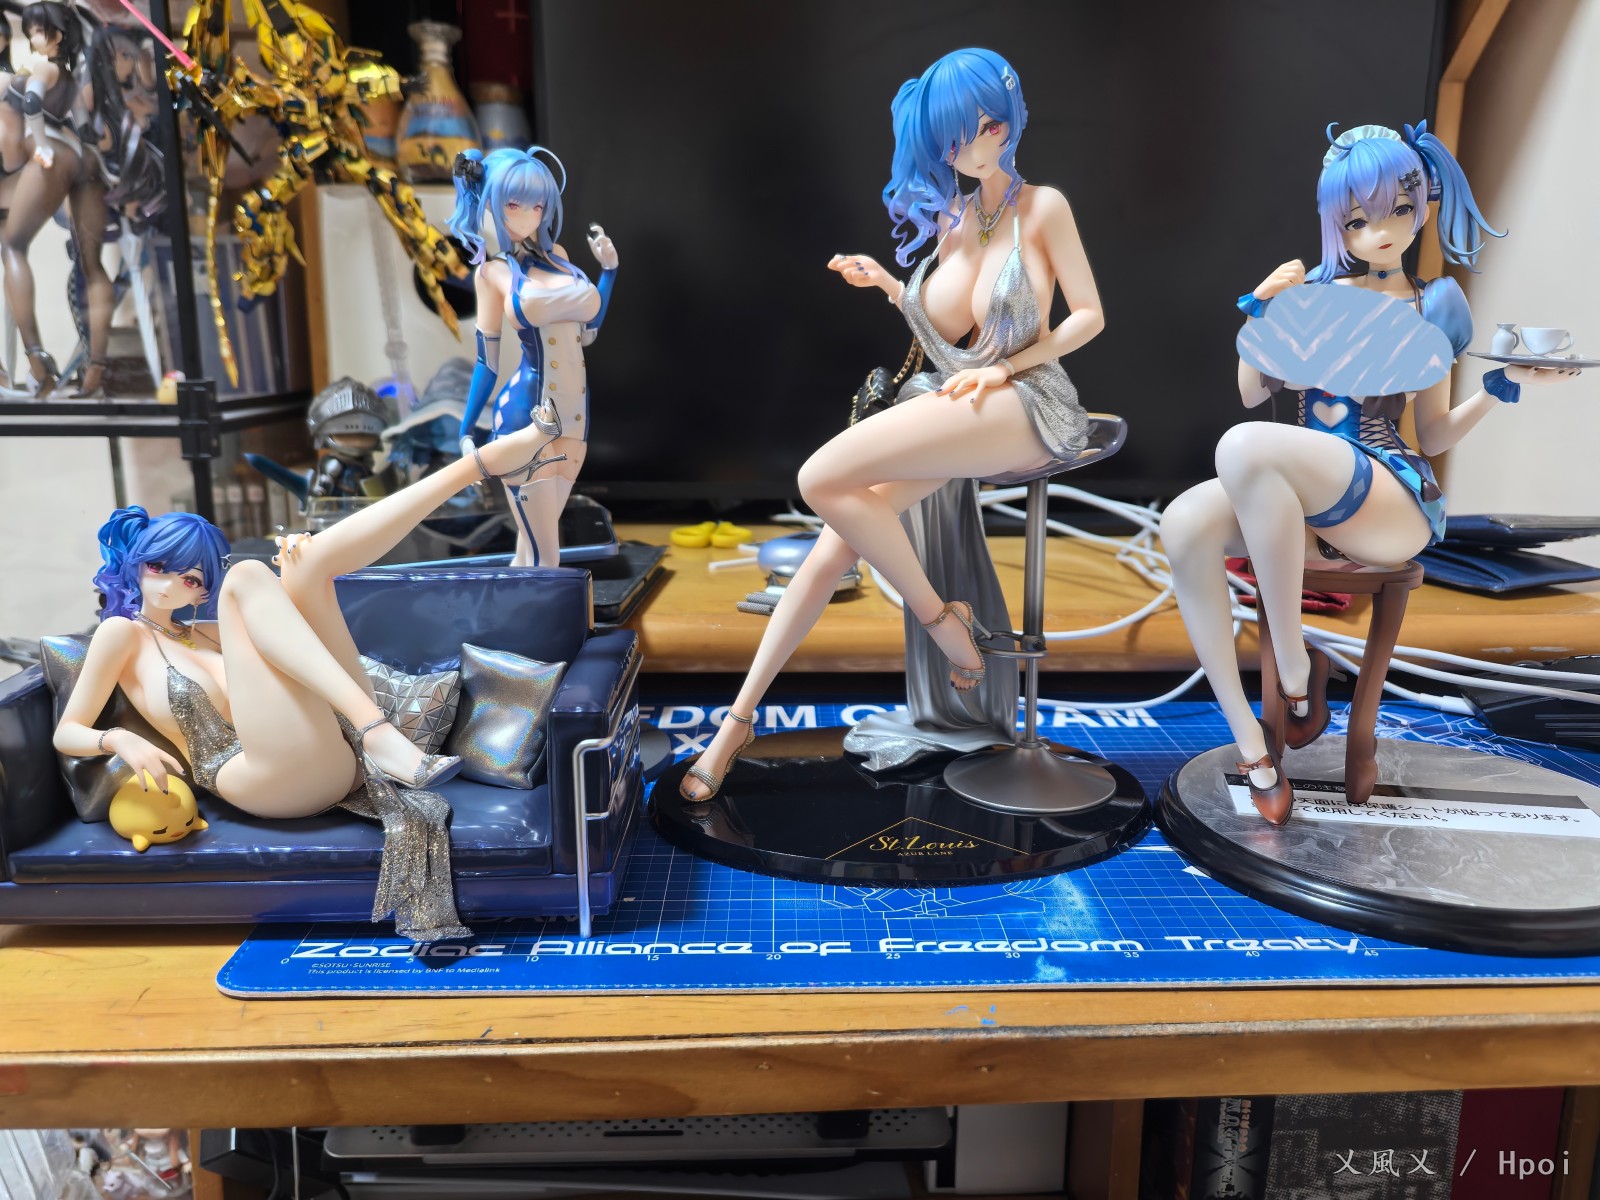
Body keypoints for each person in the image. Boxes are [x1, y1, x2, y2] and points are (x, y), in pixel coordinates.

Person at [679, 47, 1106, 800]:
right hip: (961, 400)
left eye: (987, 126)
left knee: (819, 477)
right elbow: (944, 345)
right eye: (954, 139)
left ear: (1009, 118)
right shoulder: (958, 219)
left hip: (1028, 402)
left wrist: (1005, 367)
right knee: (829, 548)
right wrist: (888, 285)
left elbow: (1090, 317)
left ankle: (944, 625)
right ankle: (734, 726)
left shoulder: (1044, 207)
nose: (975, 146)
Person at [1160, 121, 1580, 826]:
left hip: (1387, 495)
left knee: (1242, 445)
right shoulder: (1310, 294)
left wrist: (1502, 385)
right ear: (1336, 223)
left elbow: (1433, 431)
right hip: (1297, 497)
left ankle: (1295, 667)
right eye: (1357, 220)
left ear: (1423, 207)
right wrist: (1261, 308)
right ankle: (1253, 749)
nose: (1380, 232)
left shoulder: (1433, 302)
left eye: (1398, 211)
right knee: (1182, 523)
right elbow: (1252, 390)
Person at [52, 417, 559, 939]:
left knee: (306, 561)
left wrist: (295, 566)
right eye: (158, 567)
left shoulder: (208, 632)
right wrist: (119, 739)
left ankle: (482, 464)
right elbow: (67, 732)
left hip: (339, 760)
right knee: (250, 574)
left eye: (190, 578)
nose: (168, 585)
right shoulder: (121, 633)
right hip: (260, 781)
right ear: (137, 563)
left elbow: (280, 632)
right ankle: (378, 730)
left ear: (201, 591)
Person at [449, 145, 618, 567]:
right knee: (547, 556)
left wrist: (609, 272)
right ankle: (549, 613)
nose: (527, 216)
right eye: (513, 204)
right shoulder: (492, 273)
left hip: (576, 417)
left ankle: (516, 606)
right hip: (529, 420)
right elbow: (487, 361)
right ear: (491, 203)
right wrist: (466, 430)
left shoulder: (560, 258)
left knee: (530, 550)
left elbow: (587, 333)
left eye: (537, 205)